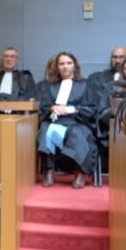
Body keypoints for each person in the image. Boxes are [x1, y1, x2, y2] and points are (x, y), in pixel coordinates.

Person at [37, 52, 97, 189]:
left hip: (77, 122)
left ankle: (80, 173)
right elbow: (43, 107)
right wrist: (52, 108)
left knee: (77, 133)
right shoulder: (49, 86)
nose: (65, 67)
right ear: (57, 67)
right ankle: (49, 171)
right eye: (61, 64)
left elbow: (92, 108)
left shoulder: (85, 85)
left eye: (69, 63)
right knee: (45, 130)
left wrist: (71, 109)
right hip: (55, 121)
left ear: (75, 66)